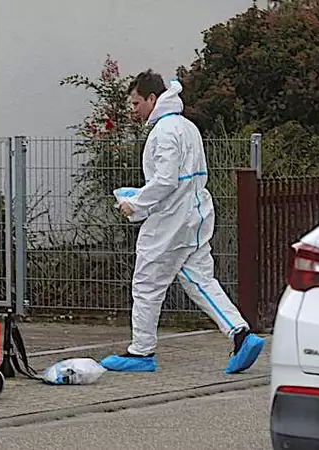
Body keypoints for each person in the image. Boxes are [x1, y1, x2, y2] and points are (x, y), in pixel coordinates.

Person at [100, 70, 265, 375]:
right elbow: (182, 179)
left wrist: (134, 204)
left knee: (147, 283)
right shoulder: (186, 127)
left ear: (152, 98)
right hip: (196, 213)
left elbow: (165, 181)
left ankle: (141, 351)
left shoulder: (163, 132)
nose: (133, 109)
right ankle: (241, 334)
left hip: (170, 221)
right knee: (199, 280)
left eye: (136, 103)